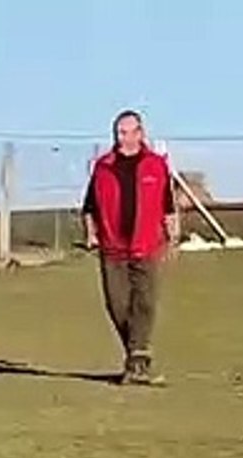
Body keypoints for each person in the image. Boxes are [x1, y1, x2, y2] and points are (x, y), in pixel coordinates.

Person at [81, 109, 181, 386]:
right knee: (118, 305)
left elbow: (168, 205)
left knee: (145, 303)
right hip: (113, 248)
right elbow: (89, 206)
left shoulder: (156, 165)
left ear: (140, 133)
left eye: (128, 132)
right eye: (119, 133)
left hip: (147, 245)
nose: (123, 138)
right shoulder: (103, 167)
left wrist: (173, 237)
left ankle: (138, 362)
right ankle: (137, 357)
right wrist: (91, 234)